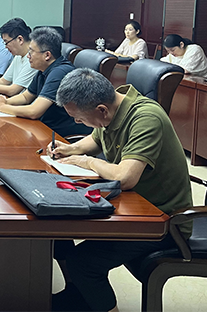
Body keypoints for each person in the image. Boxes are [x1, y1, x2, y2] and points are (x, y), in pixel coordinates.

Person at [48, 68, 192, 312]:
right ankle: (78, 296)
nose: (77, 123)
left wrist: (88, 162)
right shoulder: (113, 106)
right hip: (133, 207)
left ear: (101, 110)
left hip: (164, 221)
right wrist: (70, 149)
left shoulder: (146, 118)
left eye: (79, 119)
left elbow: (125, 178)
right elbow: (96, 139)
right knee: (58, 236)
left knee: (83, 262)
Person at [0, 27, 91, 138]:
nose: (28, 56)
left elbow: (34, 111)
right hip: (45, 128)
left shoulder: (59, 72)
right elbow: (26, 97)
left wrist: (2, 106)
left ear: (47, 55)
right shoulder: (44, 70)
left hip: (62, 135)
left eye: (31, 52)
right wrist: (4, 101)